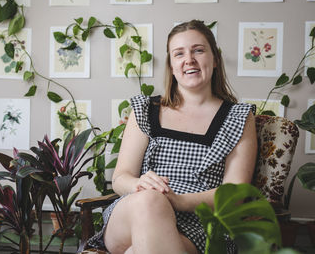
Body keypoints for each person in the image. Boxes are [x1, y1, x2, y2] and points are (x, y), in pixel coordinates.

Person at [87, 20, 257, 254]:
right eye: (179, 54)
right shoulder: (146, 109)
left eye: (198, 50)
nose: (189, 59)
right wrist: (139, 184)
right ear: (171, 65)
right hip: (133, 213)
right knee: (150, 200)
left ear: (215, 59)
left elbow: (234, 194)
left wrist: (178, 200)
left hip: (199, 224)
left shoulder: (238, 117)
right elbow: (120, 178)